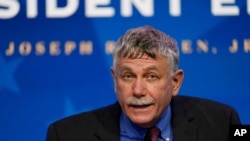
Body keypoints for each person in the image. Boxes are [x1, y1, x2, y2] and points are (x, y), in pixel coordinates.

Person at [46, 25, 241, 141]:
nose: (138, 91)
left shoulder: (223, 124)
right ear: (115, 80)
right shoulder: (66, 135)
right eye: (128, 76)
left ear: (175, 82)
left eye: (151, 77)